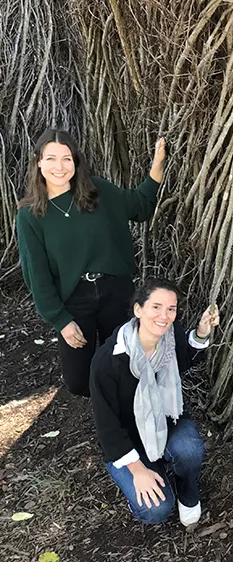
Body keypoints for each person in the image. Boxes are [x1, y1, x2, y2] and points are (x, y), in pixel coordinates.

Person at [16, 129, 166, 397]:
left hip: (115, 290)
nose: (59, 167)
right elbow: (36, 275)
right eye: (51, 159)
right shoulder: (30, 216)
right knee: (78, 381)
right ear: (38, 162)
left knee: (125, 364)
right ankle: (106, 401)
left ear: (76, 161)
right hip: (75, 298)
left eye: (66, 158)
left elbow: (140, 206)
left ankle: (123, 420)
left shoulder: (97, 191)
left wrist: (158, 163)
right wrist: (60, 320)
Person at [90, 277, 220, 527]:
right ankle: (146, 471)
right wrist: (138, 471)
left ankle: (187, 487)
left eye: (171, 308)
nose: (165, 315)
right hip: (126, 441)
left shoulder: (171, 336)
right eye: (156, 307)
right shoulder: (107, 361)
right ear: (138, 309)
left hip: (166, 419)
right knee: (156, 511)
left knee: (190, 450)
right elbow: (107, 427)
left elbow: (184, 360)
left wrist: (202, 331)